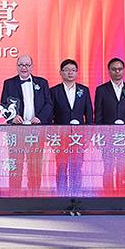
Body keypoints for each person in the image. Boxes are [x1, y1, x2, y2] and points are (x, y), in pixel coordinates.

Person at [0, 54, 53, 194]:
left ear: (32, 66)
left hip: (36, 130)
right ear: (17, 66)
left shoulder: (42, 83)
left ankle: (35, 194)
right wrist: (13, 117)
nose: (24, 68)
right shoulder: (9, 83)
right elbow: (4, 105)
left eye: (27, 65)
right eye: (21, 65)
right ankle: (14, 194)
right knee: (15, 164)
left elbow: (49, 104)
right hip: (16, 131)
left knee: (35, 164)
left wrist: (40, 118)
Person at [94, 58, 125, 193]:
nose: (117, 72)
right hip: (107, 135)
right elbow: (98, 114)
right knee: (108, 166)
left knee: (123, 166)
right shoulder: (101, 90)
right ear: (109, 71)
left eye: (119, 69)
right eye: (114, 69)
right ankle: (107, 194)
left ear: (123, 70)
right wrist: (99, 135)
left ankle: (122, 194)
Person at [50, 59, 93, 195]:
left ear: (77, 73)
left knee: (76, 166)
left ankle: (76, 195)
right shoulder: (54, 91)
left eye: (73, 70)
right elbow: (50, 115)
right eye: (67, 70)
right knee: (61, 166)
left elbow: (89, 114)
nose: (70, 73)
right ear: (60, 72)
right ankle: (61, 195)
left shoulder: (84, 90)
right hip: (60, 136)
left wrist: (88, 136)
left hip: (78, 137)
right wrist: (51, 137)